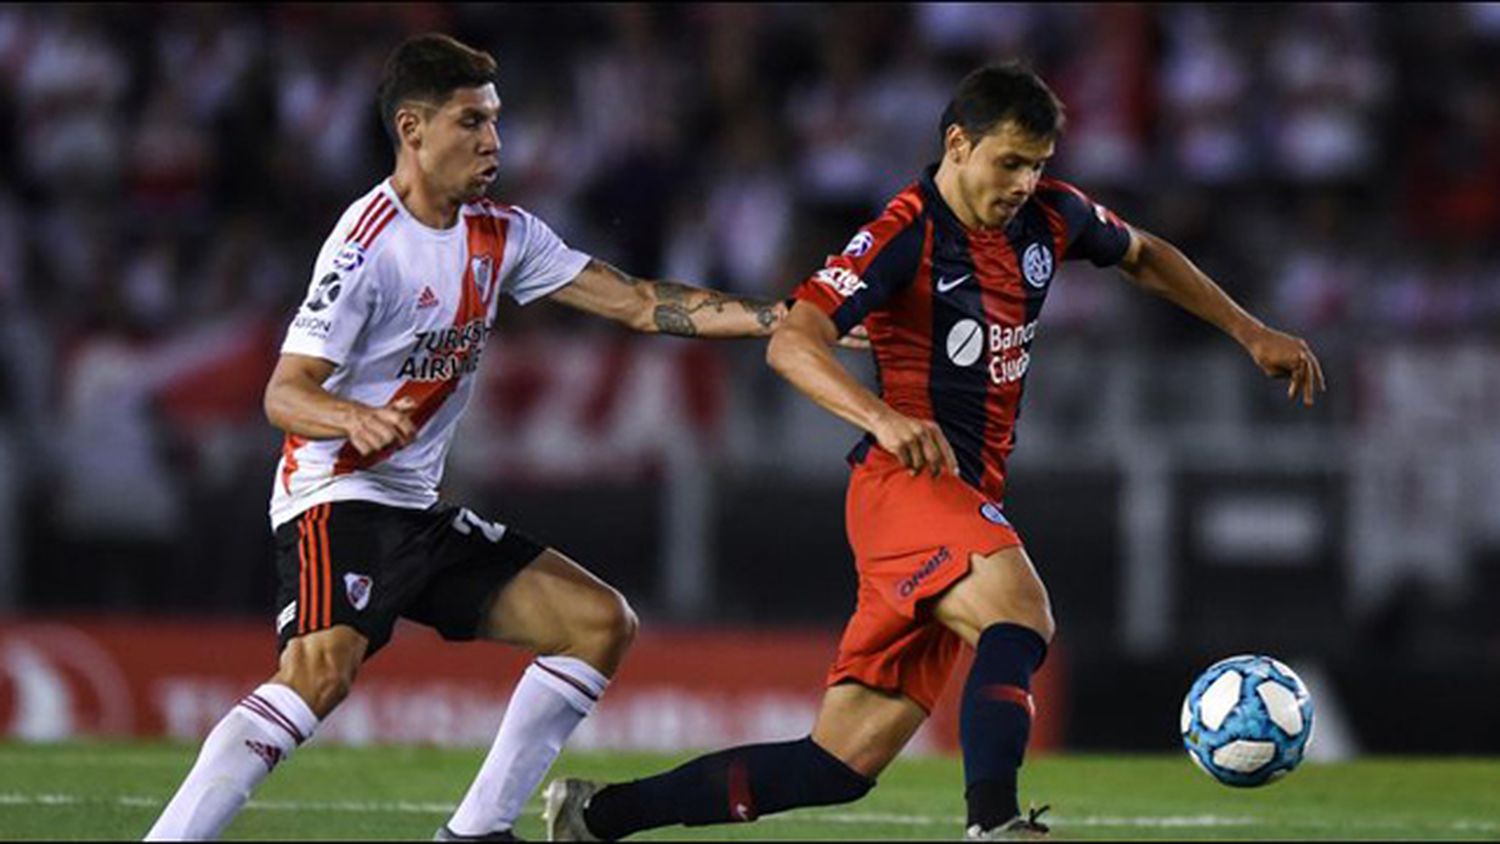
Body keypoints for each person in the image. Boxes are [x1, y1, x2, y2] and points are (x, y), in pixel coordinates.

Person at [543, 63, 1325, 841]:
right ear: (958, 143)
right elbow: (793, 341)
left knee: (836, 765)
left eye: (1038, 165)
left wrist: (1249, 330)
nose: (1024, 182)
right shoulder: (903, 232)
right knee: (1020, 614)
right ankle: (992, 824)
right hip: (906, 483)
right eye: (1010, 162)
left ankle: (596, 815)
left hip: (958, 495)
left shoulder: (1051, 217)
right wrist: (881, 418)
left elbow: (1144, 253)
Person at [143, 33, 801, 842]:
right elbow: (285, 392)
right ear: (412, 130)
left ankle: (476, 833)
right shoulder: (366, 245)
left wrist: (779, 319)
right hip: (337, 496)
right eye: (470, 122)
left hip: (414, 509)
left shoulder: (504, 234)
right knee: (319, 674)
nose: (493, 140)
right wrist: (354, 417)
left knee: (599, 624)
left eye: (495, 120)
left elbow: (636, 302)